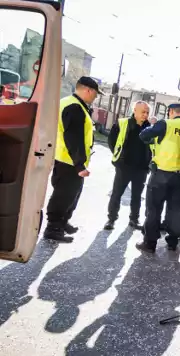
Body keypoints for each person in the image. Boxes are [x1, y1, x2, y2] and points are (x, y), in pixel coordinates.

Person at [136, 103, 180, 253]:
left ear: (171, 112)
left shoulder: (166, 124)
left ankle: (150, 244)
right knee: (175, 211)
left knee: (153, 209)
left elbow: (143, 135)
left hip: (161, 175)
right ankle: (172, 243)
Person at [43, 76, 101, 243]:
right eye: (95, 94)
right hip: (69, 161)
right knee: (63, 195)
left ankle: (62, 222)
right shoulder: (74, 107)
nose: (95, 98)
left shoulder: (73, 104)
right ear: (88, 90)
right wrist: (79, 165)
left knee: (72, 194)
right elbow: (73, 138)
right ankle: (53, 228)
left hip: (68, 160)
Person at [104, 101, 152, 230]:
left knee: (137, 196)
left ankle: (134, 220)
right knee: (117, 193)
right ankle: (111, 219)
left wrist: (148, 165)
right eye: (143, 112)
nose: (145, 115)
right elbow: (111, 140)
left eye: (147, 112)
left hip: (141, 169)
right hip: (124, 166)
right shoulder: (122, 123)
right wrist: (118, 157)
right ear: (135, 110)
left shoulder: (150, 128)